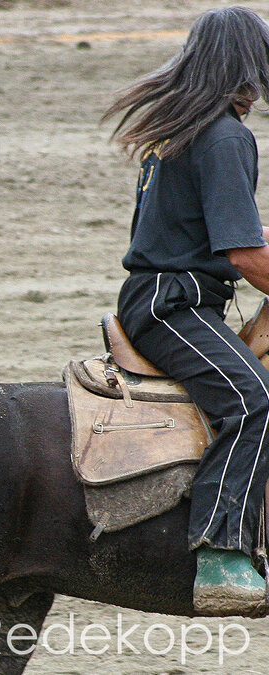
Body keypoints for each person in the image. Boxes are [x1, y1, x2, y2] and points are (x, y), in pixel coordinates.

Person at [105, 6, 269, 614]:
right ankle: (221, 554)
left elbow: (210, 230)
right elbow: (244, 256)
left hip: (160, 296)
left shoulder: (178, 129)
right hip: (176, 307)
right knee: (254, 400)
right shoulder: (226, 135)